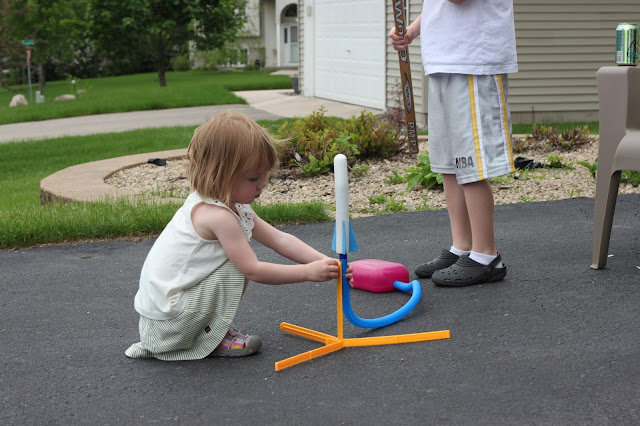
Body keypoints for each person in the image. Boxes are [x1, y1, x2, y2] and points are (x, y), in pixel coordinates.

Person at [125, 112, 340, 360]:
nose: (263, 184)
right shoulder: (218, 217)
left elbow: (279, 239)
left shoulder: (227, 206)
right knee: (238, 265)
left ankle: (206, 333)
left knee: (236, 260)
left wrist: (326, 262)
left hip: (161, 322)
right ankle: (212, 337)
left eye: (264, 175)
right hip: (170, 325)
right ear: (219, 175)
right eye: (253, 178)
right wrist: (307, 273)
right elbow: (253, 271)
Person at [390, 0, 518, 286]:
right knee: (449, 165)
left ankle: (486, 255)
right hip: (445, 59)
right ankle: (463, 247)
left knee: (470, 165)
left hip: (474, 61)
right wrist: (413, 30)